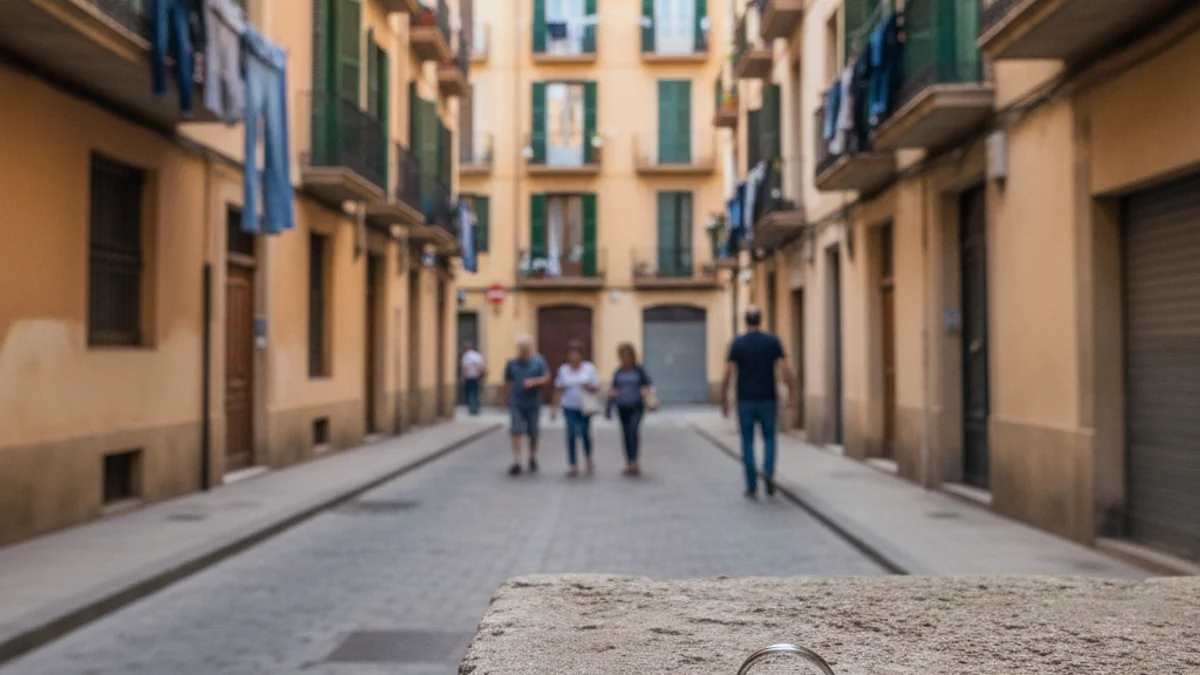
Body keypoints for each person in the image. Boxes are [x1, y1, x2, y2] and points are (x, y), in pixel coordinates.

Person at [721, 306, 796, 498]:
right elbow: (785, 368)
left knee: (747, 442)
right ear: (760, 320)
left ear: (746, 321)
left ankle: (751, 485)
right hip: (768, 398)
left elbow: (728, 372)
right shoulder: (771, 341)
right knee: (770, 437)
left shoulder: (738, 343)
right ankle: (768, 470)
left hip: (745, 399)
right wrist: (791, 393)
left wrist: (724, 399)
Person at [502, 335, 551, 476]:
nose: (523, 351)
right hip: (516, 402)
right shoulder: (512, 363)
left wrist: (533, 382)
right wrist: (504, 399)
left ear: (531, 348)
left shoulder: (539, 361)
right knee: (516, 430)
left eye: (526, 348)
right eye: (521, 348)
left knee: (533, 432)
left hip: (533, 402)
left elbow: (546, 378)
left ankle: (532, 456)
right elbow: (507, 381)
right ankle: (517, 461)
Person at [550, 341, 600, 476]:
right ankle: (572, 463)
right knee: (571, 434)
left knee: (585, 433)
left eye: (576, 354)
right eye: (571, 354)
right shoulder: (563, 370)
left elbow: (597, 387)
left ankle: (588, 456)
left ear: (581, 355)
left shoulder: (589, 368)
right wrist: (554, 409)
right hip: (569, 406)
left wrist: (589, 386)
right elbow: (558, 389)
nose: (574, 357)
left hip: (584, 407)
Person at [609, 343, 654, 477]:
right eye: (622, 355)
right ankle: (629, 461)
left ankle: (634, 461)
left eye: (626, 355)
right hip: (622, 406)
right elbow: (614, 386)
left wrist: (645, 392)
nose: (624, 358)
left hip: (636, 405)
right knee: (625, 434)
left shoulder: (639, 369)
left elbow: (648, 384)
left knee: (633, 430)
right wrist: (613, 395)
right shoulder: (618, 371)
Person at [460, 342, 486, 416]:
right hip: (476, 377)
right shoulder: (477, 356)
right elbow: (481, 367)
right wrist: (482, 376)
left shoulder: (466, 356)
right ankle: (476, 408)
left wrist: (464, 376)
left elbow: (464, 367)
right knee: (476, 393)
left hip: (469, 377)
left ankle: (471, 408)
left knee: (469, 393)